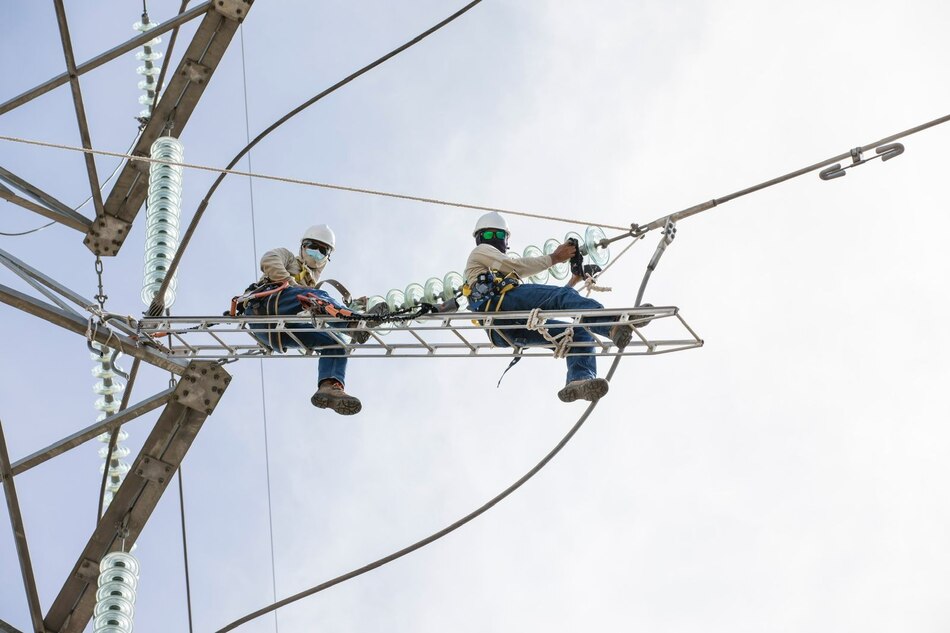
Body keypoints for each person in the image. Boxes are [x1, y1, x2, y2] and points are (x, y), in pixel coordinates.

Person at [463, 211, 633, 403]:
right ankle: (611, 325)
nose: (493, 238)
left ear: (506, 240)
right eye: (488, 234)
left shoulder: (499, 273)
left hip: (505, 331)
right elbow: (516, 266)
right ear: (479, 238)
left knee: (578, 334)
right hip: (500, 305)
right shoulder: (480, 252)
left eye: (499, 235)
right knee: (562, 297)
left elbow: (545, 308)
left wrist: (573, 281)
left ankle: (579, 380)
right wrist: (555, 257)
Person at [243, 224, 362, 415]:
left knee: (335, 343)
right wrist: (291, 284)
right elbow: (269, 260)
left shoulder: (311, 289)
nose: (316, 253)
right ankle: (353, 323)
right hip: (266, 307)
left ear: (327, 257)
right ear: (302, 247)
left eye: (322, 250)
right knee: (317, 297)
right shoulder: (289, 258)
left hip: (280, 331)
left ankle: (329, 386)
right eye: (312, 247)